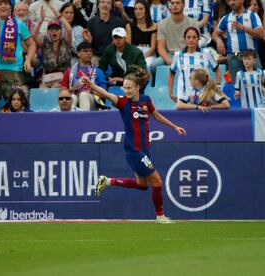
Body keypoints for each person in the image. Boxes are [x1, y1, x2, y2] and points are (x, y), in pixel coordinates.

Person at [81, 73, 187, 223]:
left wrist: (175, 127)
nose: (126, 91)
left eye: (129, 88)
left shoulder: (146, 100)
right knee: (157, 181)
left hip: (144, 150)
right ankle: (160, 216)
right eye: (124, 88)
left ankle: (108, 181)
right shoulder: (123, 103)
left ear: (137, 87)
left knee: (142, 185)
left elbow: (155, 115)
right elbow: (106, 94)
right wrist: (92, 85)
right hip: (135, 151)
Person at [212, 0, 264, 84]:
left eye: (234, 0)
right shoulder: (226, 18)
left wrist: (243, 28)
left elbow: (261, 34)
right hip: (234, 58)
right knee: (237, 88)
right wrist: (218, 40)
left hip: (251, 57)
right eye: (229, 1)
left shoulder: (252, 15)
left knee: (258, 85)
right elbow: (215, 33)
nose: (231, 3)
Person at [168, 27, 221, 102]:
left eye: (194, 37)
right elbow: (171, 73)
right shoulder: (178, 55)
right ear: (184, 39)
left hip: (204, 97)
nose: (191, 40)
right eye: (188, 37)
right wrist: (170, 92)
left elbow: (217, 69)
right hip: (183, 96)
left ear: (198, 39)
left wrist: (218, 85)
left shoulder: (206, 53)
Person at [150, 0, 199, 80]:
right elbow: (160, 47)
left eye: (178, 3)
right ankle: (155, 89)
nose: (175, 5)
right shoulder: (162, 24)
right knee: (154, 66)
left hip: (186, 54)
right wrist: (168, 60)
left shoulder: (192, 23)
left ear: (183, 5)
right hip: (169, 55)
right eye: (172, 3)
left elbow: (195, 46)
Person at [61, 41, 107, 111]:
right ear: (78, 53)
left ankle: (84, 120)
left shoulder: (98, 71)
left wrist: (91, 90)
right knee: (72, 97)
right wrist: (72, 89)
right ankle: (68, 120)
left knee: (83, 95)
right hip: (74, 99)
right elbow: (62, 93)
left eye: (90, 51)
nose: (89, 53)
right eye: (85, 51)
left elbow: (104, 95)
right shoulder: (69, 71)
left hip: (93, 102)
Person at [33, 13, 72, 88]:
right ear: (48, 32)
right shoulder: (45, 42)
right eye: (51, 29)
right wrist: (41, 21)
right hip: (47, 77)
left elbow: (69, 30)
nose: (54, 31)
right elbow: (34, 34)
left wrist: (59, 16)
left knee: (55, 87)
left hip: (63, 77)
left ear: (60, 31)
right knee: (42, 89)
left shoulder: (66, 42)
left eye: (56, 29)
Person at [126, 0, 157, 73]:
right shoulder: (129, 26)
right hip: (134, 52)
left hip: (149, 53)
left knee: (147, 65)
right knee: (132, 65)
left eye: (141, 9)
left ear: (146, 11)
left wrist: (143, 57)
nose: (137, 11)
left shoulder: (154, 26)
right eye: (135, 9)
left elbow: (153, 47)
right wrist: (136, 56)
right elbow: (128, 45)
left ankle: (148, 84)